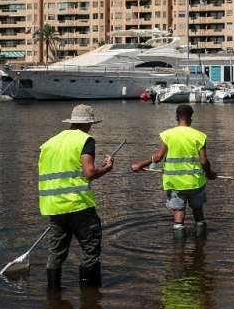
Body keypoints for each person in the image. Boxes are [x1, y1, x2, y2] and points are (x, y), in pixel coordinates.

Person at [39, 104, 113, 291]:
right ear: (88, 123)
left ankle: (53, 294)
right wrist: (106, 168)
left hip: (54, 207)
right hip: (79, 205)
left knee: (56, 253)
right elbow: (89, 172)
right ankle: (90, 295)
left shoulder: (49, 143)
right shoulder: (85, 140)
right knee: (90, 249)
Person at [131, 104, 217, 239]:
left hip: (175, 183)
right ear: (191, 118)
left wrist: (140, 164)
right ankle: (201, 243)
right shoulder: (200, 136)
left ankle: (179, 249)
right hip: (195, 182)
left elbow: (158, 157)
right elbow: (204, 162)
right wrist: (210, 173)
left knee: (179, 211)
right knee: (198, 211)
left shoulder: (167, 134)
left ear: (177, 117)